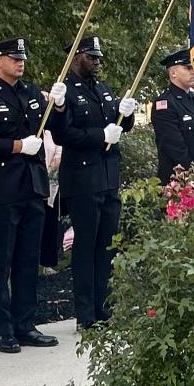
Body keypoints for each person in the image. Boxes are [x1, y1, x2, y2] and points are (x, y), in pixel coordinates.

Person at [0, 37, 56, 353]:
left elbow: (55, 124)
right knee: (2, 262)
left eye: (22, 57)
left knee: (28, 259)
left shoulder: (31, 92)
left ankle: (25, 324)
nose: (20, 62)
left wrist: (57, 103)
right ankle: (3, 330)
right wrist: (18, 146)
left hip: (32, 186)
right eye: (13, 57)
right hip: (4, 188)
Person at [49, 35, 138, 331]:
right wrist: (100, 136)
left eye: (99, 57)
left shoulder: (102, 88)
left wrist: (127, 113)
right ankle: (86, 315)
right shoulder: (66, 92)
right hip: (83, 180)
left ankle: (105, 308)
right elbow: (63, 135)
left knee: (107, 248)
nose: (97, 62)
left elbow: (120, 124)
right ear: (75, 57)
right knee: (86, 249)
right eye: (91, 57)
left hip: (108, 178)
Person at [150, 50, 194, 183]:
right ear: (173, 73)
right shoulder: (165, 104)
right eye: (188, 68)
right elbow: (175, 147)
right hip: (176, 181)